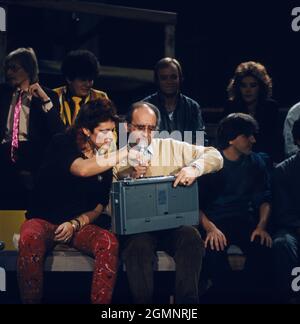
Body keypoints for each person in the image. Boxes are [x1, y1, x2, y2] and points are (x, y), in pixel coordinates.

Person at [17, 98, 131, 304]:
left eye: (111, 131)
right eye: (103, 131)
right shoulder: (62, 142)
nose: (109, 137)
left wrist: (75, 223)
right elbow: (82, 169)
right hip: (44, 220)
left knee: (108, 242)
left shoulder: (103, 159)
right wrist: (126, 151)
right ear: (87, 130)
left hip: (77, 225)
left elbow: (97, 207)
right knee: (30, 236)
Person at [114, 101, 223, 304]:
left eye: (151, 129)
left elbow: (215, 155)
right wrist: (130, 174)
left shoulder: (170, 146)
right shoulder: (117, 154)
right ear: (128, 126)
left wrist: (194, 168)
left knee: (190, 236)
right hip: (138, 229)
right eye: (139, 128)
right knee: (138, 246)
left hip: (171, 225)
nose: (146, 135)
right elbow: (112, 204)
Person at [198, 113, 273, 301]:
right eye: (247, 136)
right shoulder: (211, 164)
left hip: (243, 219)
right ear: (232, 139)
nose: (253, 140)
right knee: (214, 252)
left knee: (262, 248)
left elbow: (264, 198)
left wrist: (261, 226)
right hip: (215, 222)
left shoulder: (255, 162)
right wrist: (210, 229)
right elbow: (194, 205)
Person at [0, 47, 64, 209]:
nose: (9, 72)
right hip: (5, 153)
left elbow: (58, 131)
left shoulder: (47, 95)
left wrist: (44, 98)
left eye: (14, 68)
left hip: (32, 156)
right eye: (7, 68)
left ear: (28, 69)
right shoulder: (3, 93)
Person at [225, 61, 283, 163]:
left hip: (266, 161)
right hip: (237, 162)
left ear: (260, 87)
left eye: (253, 85)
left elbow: (276, 141)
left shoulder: (271, 108)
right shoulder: (231, 107)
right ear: (238, 88)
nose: (248, 90)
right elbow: (226, 140)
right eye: (244, 85)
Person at [143, 57, 205, 145]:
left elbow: (199, 141)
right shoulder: (145, 107)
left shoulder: (192, 107)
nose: (169, 81)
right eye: (164, 78)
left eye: (173, 77)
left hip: (186, 157)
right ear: (157, 80)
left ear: (180, 78)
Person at [272, 118, 300, 303]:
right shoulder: (284, 170)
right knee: (282, 243)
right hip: (293, 228)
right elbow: (283, 212)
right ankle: (292, 297)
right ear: (298, 141)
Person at [54, 49, 108, 127]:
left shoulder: (100, 97)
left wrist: (121, 137)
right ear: (69, 79)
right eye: (83, 80)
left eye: (90, 80)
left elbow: (113, 127)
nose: (88, 84)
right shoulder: (54, 96)